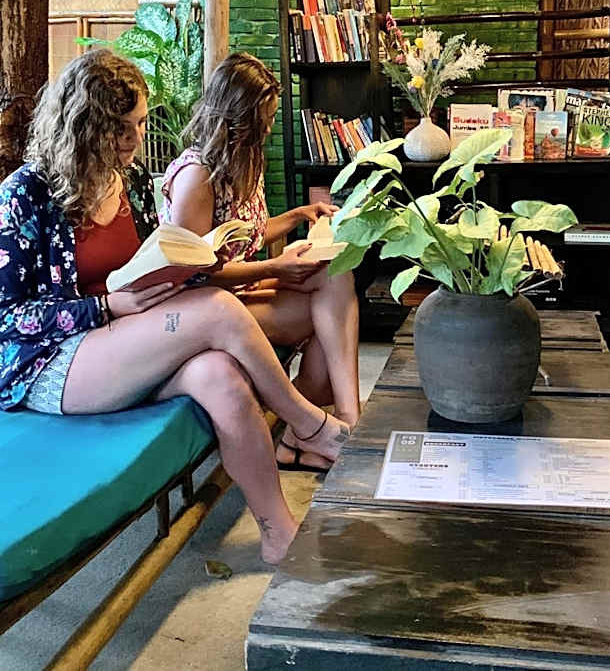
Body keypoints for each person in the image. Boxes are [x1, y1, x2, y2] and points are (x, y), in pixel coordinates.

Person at [0, 49, 350, 564]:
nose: (138, 139)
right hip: (54, 362)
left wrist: (186, 267)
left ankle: (279, 534)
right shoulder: (26, 194)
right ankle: (312, 425)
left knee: (220, 376)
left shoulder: (131, 182)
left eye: (140, 124)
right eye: (126, 129)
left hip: (128, 339)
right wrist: (106, 306)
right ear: (87, 128)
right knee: (216, 310)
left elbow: (153, 257)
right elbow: (8, 318)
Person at [161, 53, 360, 473]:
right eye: (262, 118)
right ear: (234, 117)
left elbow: (244, 235)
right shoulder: (197, 177)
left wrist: (297, 218)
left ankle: (329, 426)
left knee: (336, 279)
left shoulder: (244, 158)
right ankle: (325, 430)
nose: (268, 128)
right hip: (204, 311)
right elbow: (192, 273)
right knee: (330, 317)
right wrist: (274, 269)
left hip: (241, 291)